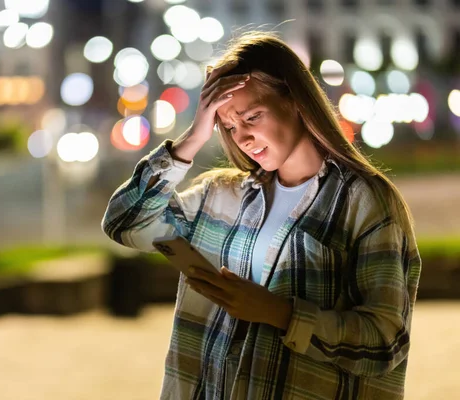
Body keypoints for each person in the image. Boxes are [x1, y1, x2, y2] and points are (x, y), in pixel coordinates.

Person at [101, 31, 421, 400]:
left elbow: (386, 342)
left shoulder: (364, 202)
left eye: (253, 116)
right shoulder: (220, 197)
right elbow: (123, 223)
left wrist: (280, 313)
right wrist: (191, 139)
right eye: (230, 126)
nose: (244, 138)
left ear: (296, 101)